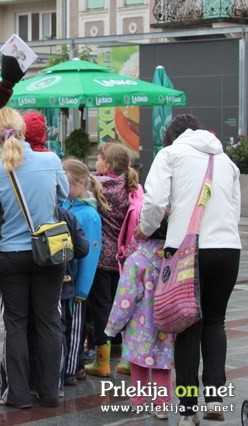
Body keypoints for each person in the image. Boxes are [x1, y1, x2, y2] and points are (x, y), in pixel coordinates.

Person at [136, 114, 241, 426]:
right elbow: (232, 209)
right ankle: (215, 398)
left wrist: (145, 229)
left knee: (187, 327)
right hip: (227, 247)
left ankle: (186, 411)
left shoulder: (170, 154)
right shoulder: (227, 161)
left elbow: (154, 203)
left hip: (185, 249)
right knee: (215, 322)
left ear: (172, 136)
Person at [0, 107, 68, 409]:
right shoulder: (51, 160)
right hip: (50, 252)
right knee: (49, 322)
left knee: (15, 324)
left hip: (11, 254)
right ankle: (49, 393)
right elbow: (63, 196)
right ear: (23, 131)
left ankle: (16, 394)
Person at [106, 220, 174, 420]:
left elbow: (125, 298)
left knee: (139, 359)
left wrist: (113, 326)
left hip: (140, 323)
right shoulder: (175, 258)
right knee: (162, 360)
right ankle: (162, 404)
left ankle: (137, 401)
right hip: (168, 320)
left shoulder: (137, 259)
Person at [85, 142, 138, 377]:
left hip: (101, 258)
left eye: (98, 159)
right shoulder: (132, 186)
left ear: (106, 164)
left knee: (101, 308)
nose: (96, 163)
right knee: (126, 307)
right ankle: (129, 359)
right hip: (125, 257)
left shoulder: (99, 186)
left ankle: (102, 361)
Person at [60, 158, 105, 385]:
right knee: (65, 326)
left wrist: (82, 289)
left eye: (65, 183)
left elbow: (91, 255)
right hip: (66, 281)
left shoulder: (89, 215)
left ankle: (72, 368)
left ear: (79, 183)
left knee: (75, 328)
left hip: (77, 286)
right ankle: (69, 364)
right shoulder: (66, 206)